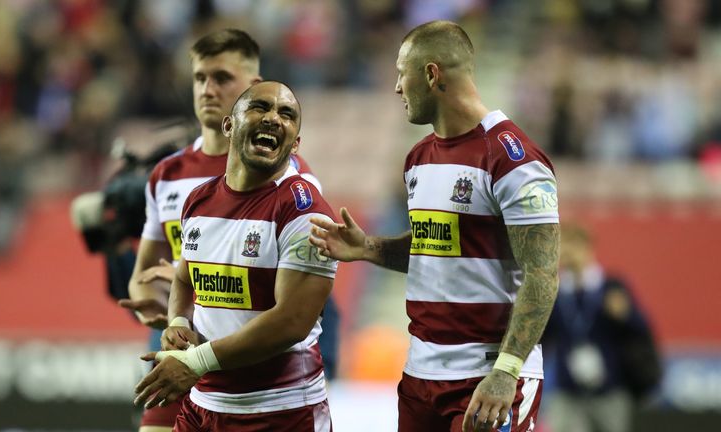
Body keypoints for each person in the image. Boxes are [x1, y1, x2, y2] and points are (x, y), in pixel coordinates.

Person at [309, 20, 560, 432]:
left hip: (486, 379)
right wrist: (369, 248)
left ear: (430, 74)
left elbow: (542, 272)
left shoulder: (514, 160)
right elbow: (434, 248)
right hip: (419, 376)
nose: (396, 87)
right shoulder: (419, 158)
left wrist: (506, 371)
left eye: (400, 73)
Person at [117, 29, 332, 431]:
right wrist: (175, 321)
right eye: (200, 78)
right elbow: (179, 273)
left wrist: (197, 355)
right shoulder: (185, 187)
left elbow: (294, 318)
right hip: (202, 386)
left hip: (274, 398)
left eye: (221, 78)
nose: (208, 89)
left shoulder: (302, 200)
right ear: (233, 124)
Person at [543, 223, 659, 432]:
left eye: (572, 244)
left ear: (588, 247)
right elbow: (544, 336)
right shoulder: (556, 292)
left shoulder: (611, 286)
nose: (567, 251)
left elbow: (640, 328)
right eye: (562, 245)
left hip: (609, 388)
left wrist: (625, 315)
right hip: (568, 390)